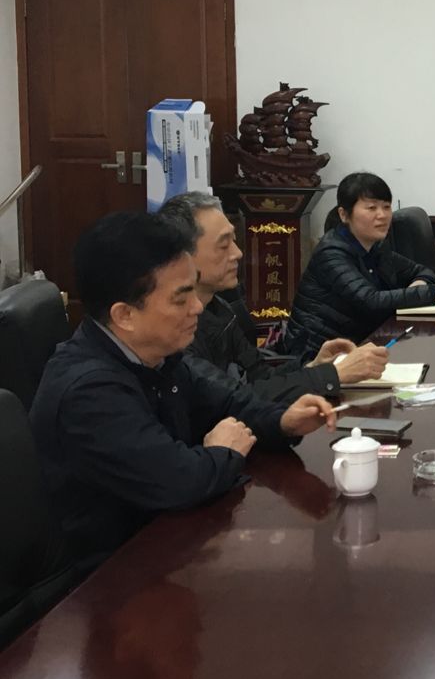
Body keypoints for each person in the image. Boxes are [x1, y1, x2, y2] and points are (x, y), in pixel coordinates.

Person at [28, 212, 336, 566]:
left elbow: (229, 403)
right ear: (124, 315)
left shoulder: (157, 354)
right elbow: (177, 481)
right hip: (109, 573)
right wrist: (223, 451)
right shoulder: (88, 392)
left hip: (169, 543)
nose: (197, 308)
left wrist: (283, 421)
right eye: (181, 299)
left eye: (194, 290)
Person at [158, 191, 388, 402]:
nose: (238, 253)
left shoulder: (220, 308)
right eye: (224, 245)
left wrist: (314, 366)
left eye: (234, 241)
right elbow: (233, 398)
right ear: (183, 256)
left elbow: (261, 376)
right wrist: (332, 375)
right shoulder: (173, 332)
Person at [282, 172, 435, 357]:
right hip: (316, 356)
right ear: (344, 214)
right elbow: (371, 301)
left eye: (386, 207)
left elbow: (422, 270)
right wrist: (434, 292)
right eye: (371, 208)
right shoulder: (331, 254)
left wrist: (419, 285)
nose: (382, 215)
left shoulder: (376, 247)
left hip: (362, 343)